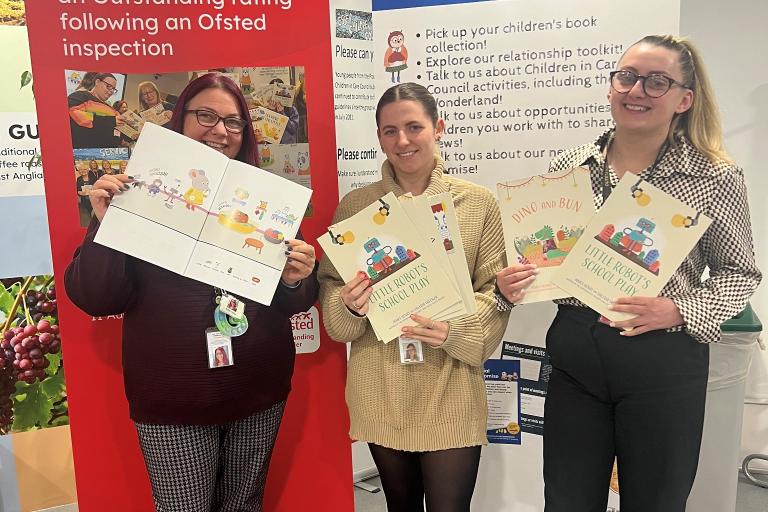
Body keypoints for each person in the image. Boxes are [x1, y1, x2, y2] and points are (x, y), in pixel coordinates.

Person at [496, 35, 761, 512]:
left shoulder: (713, 175)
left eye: (656, 81)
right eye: (627, 77)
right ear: (611, 86)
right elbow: (550, 253)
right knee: (566, 499)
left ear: (684, 99)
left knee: (656, 501)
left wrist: (680, 309)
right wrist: (521, 277)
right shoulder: (570, 167)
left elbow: (739, 272)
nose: (636, 90)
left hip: (663, 358)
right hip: (576, 354)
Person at [64, 73, 318, 512]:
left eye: (234, 122)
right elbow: (97, 296)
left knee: (244, 506)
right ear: (180, 120)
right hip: (173, 397)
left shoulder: (262, 198)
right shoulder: (139, 192)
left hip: (258, 388)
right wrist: (105, 223)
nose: (220, 130)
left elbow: (293, 301)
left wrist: (297, 278)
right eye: (206, 116)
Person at [319, 82, 509, 511]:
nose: (402, 141)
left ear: (438, 127)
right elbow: (331, 291)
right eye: (389, 131)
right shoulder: (356, 207)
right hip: (381, 384)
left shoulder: (476, 204)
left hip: (451, 386)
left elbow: (495, 294)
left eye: (413, 127)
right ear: (379, 137)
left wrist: (453, 331)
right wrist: (348, 304)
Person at [67, 72, 123, 148]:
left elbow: (118, 133)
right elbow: (74, 115)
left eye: (113, 89)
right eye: (108, 86)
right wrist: (111, 121)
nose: (111, 91)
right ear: (97, 82)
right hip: (84, 154)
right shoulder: (80, 96)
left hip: (108, 156)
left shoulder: (112, 110)